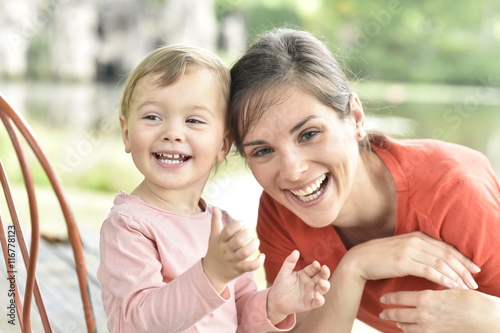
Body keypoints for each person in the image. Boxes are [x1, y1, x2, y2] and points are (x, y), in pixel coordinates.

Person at [228, 28, 500, 332]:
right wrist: (355, 267)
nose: (291, 172)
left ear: (356, 118)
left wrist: (492, 319)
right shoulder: (282, 211)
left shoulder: (455, 192)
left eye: (309, 134)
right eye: (264, 150)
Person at [97, 44, 331, 333]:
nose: (172, 133)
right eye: (152, 117)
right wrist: (212, 274)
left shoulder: (221, 227)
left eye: (193, 120)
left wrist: (274, 304)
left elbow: (236, 314)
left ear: (223, 144)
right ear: (126, 132)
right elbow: (139, 322)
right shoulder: (129, 226)